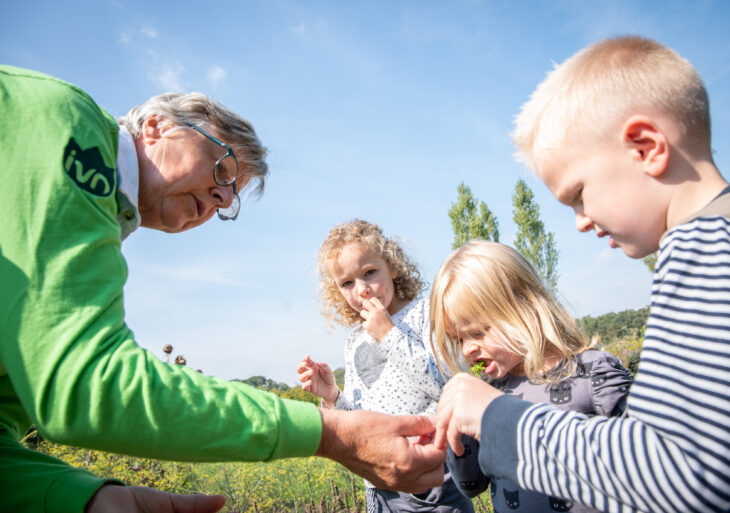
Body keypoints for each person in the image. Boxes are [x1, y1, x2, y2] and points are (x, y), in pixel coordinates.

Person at [0, 65, 445, 513]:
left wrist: (89, 498)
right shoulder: (72, 124)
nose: (225, 199)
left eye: (231, 197)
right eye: (223, 169)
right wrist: (328, 432)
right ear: (156, 127)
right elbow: (84, 380)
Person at [434, 36, 730, 513]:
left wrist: (496, 418)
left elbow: (679, 470)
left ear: (646, 147)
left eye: (579, 195)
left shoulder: (714, 244)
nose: (581, 221)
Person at [430, 240, 633, 513]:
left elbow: (650, 459)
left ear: (524, 307)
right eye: (459, 340)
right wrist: (458, 428)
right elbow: (471, 485)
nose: (467, 349)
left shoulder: (593, 373)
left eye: (478, 332)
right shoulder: (487, 394)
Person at [298, 219, 474, 513]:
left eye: (369, 273)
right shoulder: (354, 341)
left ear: (392, 266)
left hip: (430, 477)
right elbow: (358, 423)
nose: (362, 290)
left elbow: (448, 388)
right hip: (379, 484)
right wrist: (332, 396)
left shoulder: (425, 313)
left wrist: (389, 335)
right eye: (347, 283)